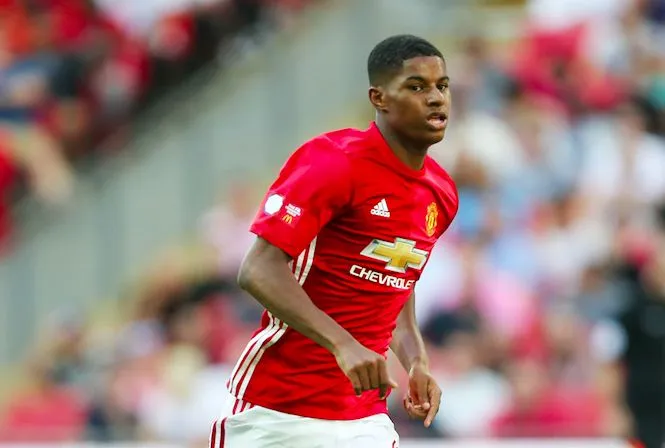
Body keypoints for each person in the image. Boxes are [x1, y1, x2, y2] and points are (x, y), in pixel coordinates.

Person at [209, 34, 459, 447]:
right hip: (278, 411)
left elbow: (397, 278)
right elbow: (257, 269)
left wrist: (416, 360)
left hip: (364, 419)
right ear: (379, 98)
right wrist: (344, 344)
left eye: (442, 86)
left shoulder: (441, 192)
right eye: (417, 87)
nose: (435, 98)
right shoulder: (334, 161)